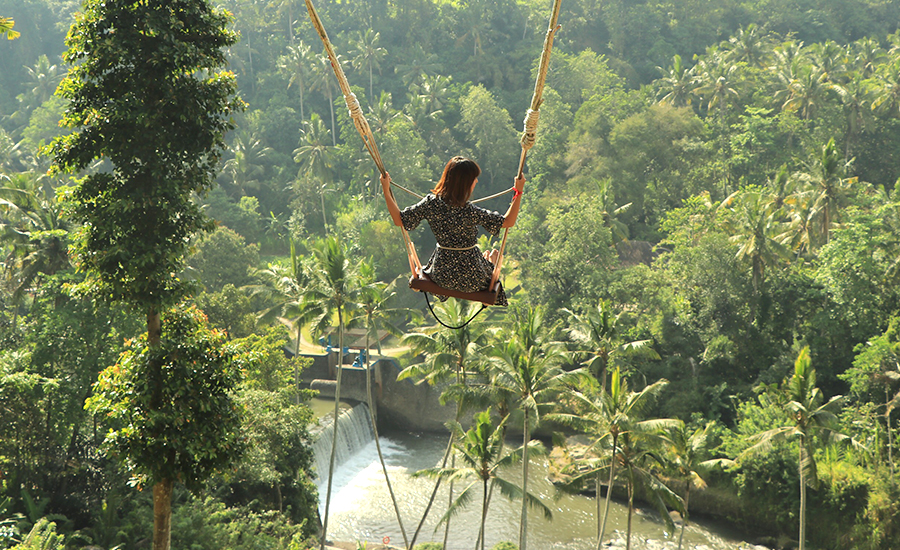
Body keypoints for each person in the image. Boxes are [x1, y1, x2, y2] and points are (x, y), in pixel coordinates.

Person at [380, 156, 524, 306]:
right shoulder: (470, 211)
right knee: (489, 263)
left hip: (441, 276)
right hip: (473, 278)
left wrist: (385, 190)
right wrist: (518, 192)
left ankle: (488, 262)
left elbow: (400, 220)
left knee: (484, 261)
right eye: (474, 179)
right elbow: (508, 222)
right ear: (465, 183)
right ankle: (489, 263)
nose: (476, 181)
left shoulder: (432, 203)